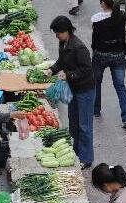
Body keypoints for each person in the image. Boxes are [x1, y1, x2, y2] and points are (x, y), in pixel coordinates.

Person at [45, 16, 96, 169]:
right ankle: (76, 150)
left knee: (84, 125)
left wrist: (68, 75)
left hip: (85, 90)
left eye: (58, 33)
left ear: (66, 31)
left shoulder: (79, 47)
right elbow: (61, 61)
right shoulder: (63, 42)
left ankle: (86, 158)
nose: (56, 35)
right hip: (73, 88)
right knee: (73, 122)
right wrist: (52, 70)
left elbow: (87, 69)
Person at [92, 0, 126, 128]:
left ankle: (96, 109)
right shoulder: (121, 16)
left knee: (96, 83)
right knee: (120, 86)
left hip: (100, 56)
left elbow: (95, 39)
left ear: (104, 4)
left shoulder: (96, 19)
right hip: (118, 56)